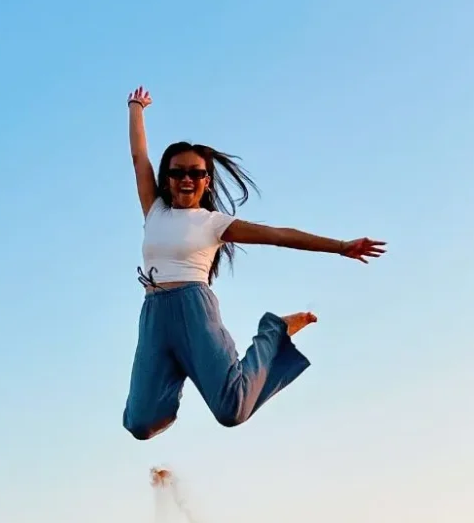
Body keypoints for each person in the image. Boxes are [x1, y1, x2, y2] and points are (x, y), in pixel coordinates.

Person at [122, 85, 385, 440]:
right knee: (140, 423)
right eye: (177, 172)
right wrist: (136, 107)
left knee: (232, 410)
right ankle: (176, 371)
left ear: (206, 180)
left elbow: (278, 235)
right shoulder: (154, 210)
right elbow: (140, 158)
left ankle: (275, 331)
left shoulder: (213, 223)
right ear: (167, 180)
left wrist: (339, 246)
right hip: (153, 312)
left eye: (196, 173)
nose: (187, 178)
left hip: (192, 307)